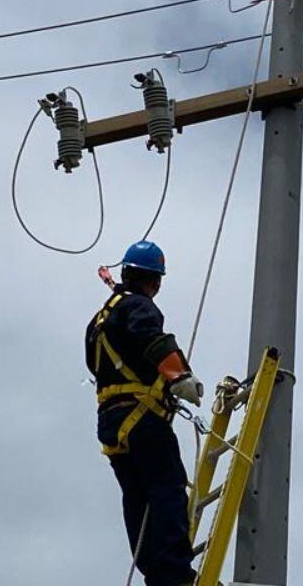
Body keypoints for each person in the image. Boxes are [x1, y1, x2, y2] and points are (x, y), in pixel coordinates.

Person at [86, 240, 204, 586]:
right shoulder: (137, 306)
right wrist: (178, 376)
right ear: (154, 280)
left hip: (111, 423)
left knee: (137, 496)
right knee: (166, 490)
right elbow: (151, 337)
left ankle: (155, 572)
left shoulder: (98, 322)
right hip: (142, 421)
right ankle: (173, 573)